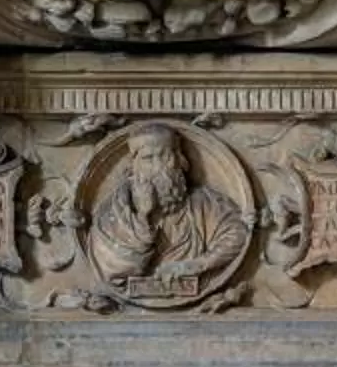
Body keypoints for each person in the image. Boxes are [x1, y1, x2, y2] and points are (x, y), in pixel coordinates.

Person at [90, 124, 249, 301]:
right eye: (148, 158)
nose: (159, 166)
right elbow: (114, 269)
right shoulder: (111, 215)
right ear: (133, 166)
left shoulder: (208, 203)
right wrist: (143, 217)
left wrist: (197, 265)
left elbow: (237, 234)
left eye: (165, 156)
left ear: (180, 160)